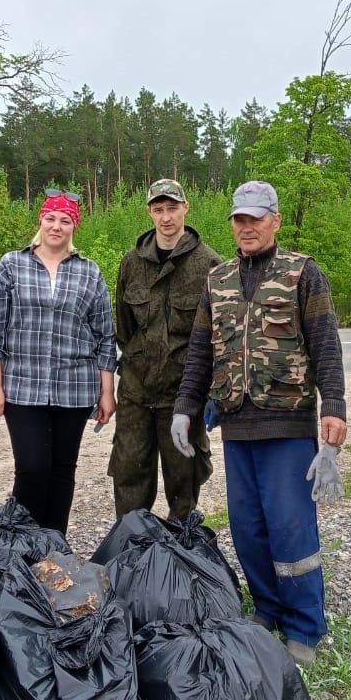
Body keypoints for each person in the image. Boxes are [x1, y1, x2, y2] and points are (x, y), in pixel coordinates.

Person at [171, 180, 347, 668]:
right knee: (249, 529)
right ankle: (268, 610)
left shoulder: (303, 274)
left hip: (287, 425)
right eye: (238, 219)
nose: (245, 228)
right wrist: (186, 407)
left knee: (291, 528)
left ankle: (305, 626)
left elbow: (326, 346)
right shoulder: (218, 279)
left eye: (255, 219)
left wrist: (334, 409)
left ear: (275, 220)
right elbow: (201, 352)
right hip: (236, 425)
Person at [0, 189, 117, 537]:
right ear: (40, 221)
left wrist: (106, 391)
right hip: (23, 387)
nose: (57, 226)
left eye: (65, 220)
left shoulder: (89, 272)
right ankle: (19, 545)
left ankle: (54, 547)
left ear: (74, 227)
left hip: (75, 388)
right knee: (32, 467)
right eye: (51, 218)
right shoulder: (11, 265)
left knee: (62, 471)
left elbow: (105, 336)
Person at [109, 178, 220, 519]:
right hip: (136, 393)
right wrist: (138, 365)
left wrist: (209, 389)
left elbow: (218, 337)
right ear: (149, 213)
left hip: (183, 394)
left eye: (172, 208)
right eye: (159, 210)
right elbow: (124, 328)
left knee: (183, 477)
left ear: (186, 208)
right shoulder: (131, 263)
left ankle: (182, 554)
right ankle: (129, 552)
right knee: (130, 474)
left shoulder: (210, 265)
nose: (166, 217)